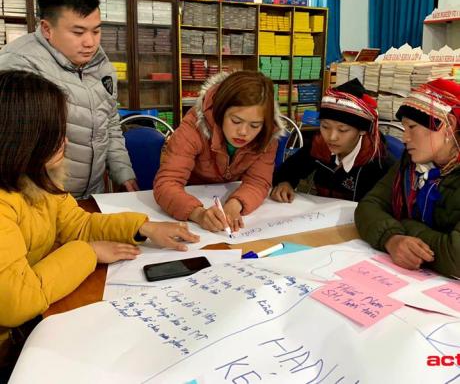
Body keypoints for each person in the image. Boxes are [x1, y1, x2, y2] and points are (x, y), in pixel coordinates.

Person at [0, 70, 199, 347]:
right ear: (20, 139)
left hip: (35, 322)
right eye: (55, 133)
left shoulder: (38, 178)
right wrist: (89, 252)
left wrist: (143, 227)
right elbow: (16, 302)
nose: (65, 142)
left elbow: (78, 224)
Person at [0, 0, 137, 199]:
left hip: (92, 195)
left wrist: (123, 173)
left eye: (96, 31)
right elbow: (14, 146)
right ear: (47, 29)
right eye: (78, 32)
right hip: (40, 199)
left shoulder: (100, 63)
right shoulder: (19, 67)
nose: (90, 42)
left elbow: (109, 122)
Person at [154, 71, 284, 233]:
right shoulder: (194, 126)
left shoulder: (267, 135)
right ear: (220, 112)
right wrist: (198, 213)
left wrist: (235, 204)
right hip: (190, 197)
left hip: (228, 198)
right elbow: (166, 183)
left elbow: (258, 182)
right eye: (236, 121)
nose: (243, 132)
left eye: (255, 125)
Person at [355, 79, 460, 278]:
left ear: (448, 126)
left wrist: (404, 223)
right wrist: (392, 238)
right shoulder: (411, 164)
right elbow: (369, 205)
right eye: (404, 129)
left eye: (412, 127)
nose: (404, 138)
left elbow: (456, 256)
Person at [271, 79, 394, 203]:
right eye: (325, 126)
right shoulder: (319, 146)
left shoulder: (378, 162)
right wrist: (285, 182)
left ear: (362, 130)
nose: (331, 137)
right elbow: (291, 168)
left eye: (342, 130)